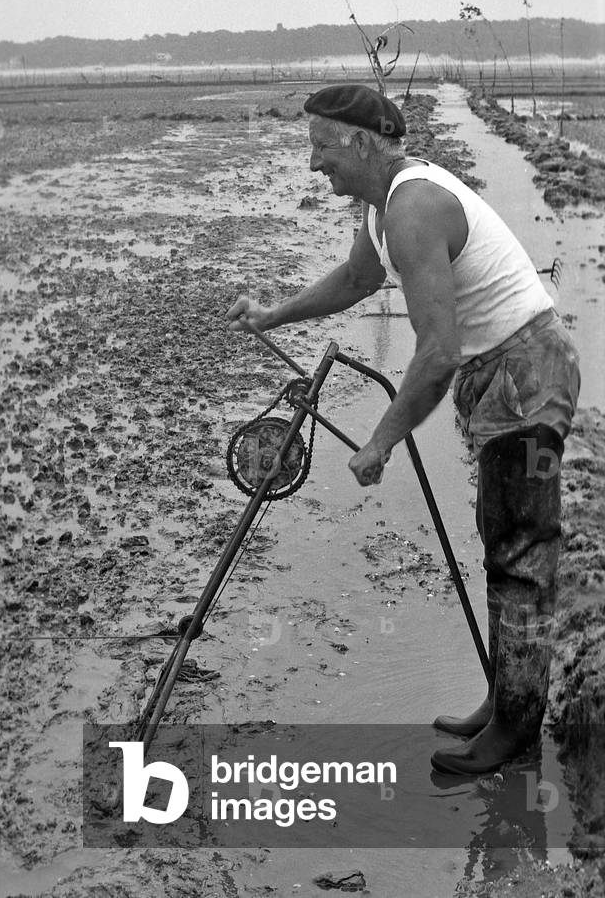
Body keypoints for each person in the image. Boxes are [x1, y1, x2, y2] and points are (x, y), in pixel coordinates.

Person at [226, 83, 580, 775]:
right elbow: (358, 279)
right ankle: (504, 699)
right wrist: (275, 314)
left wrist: (382, 438)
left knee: (521, 554)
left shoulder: (414, 206)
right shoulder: (383, 204)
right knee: (501, 539)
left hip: (525, 374)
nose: (312, 165)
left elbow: (438, 350)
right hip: (500, 374)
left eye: (321, 148)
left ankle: (516, 728)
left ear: (361, 142)